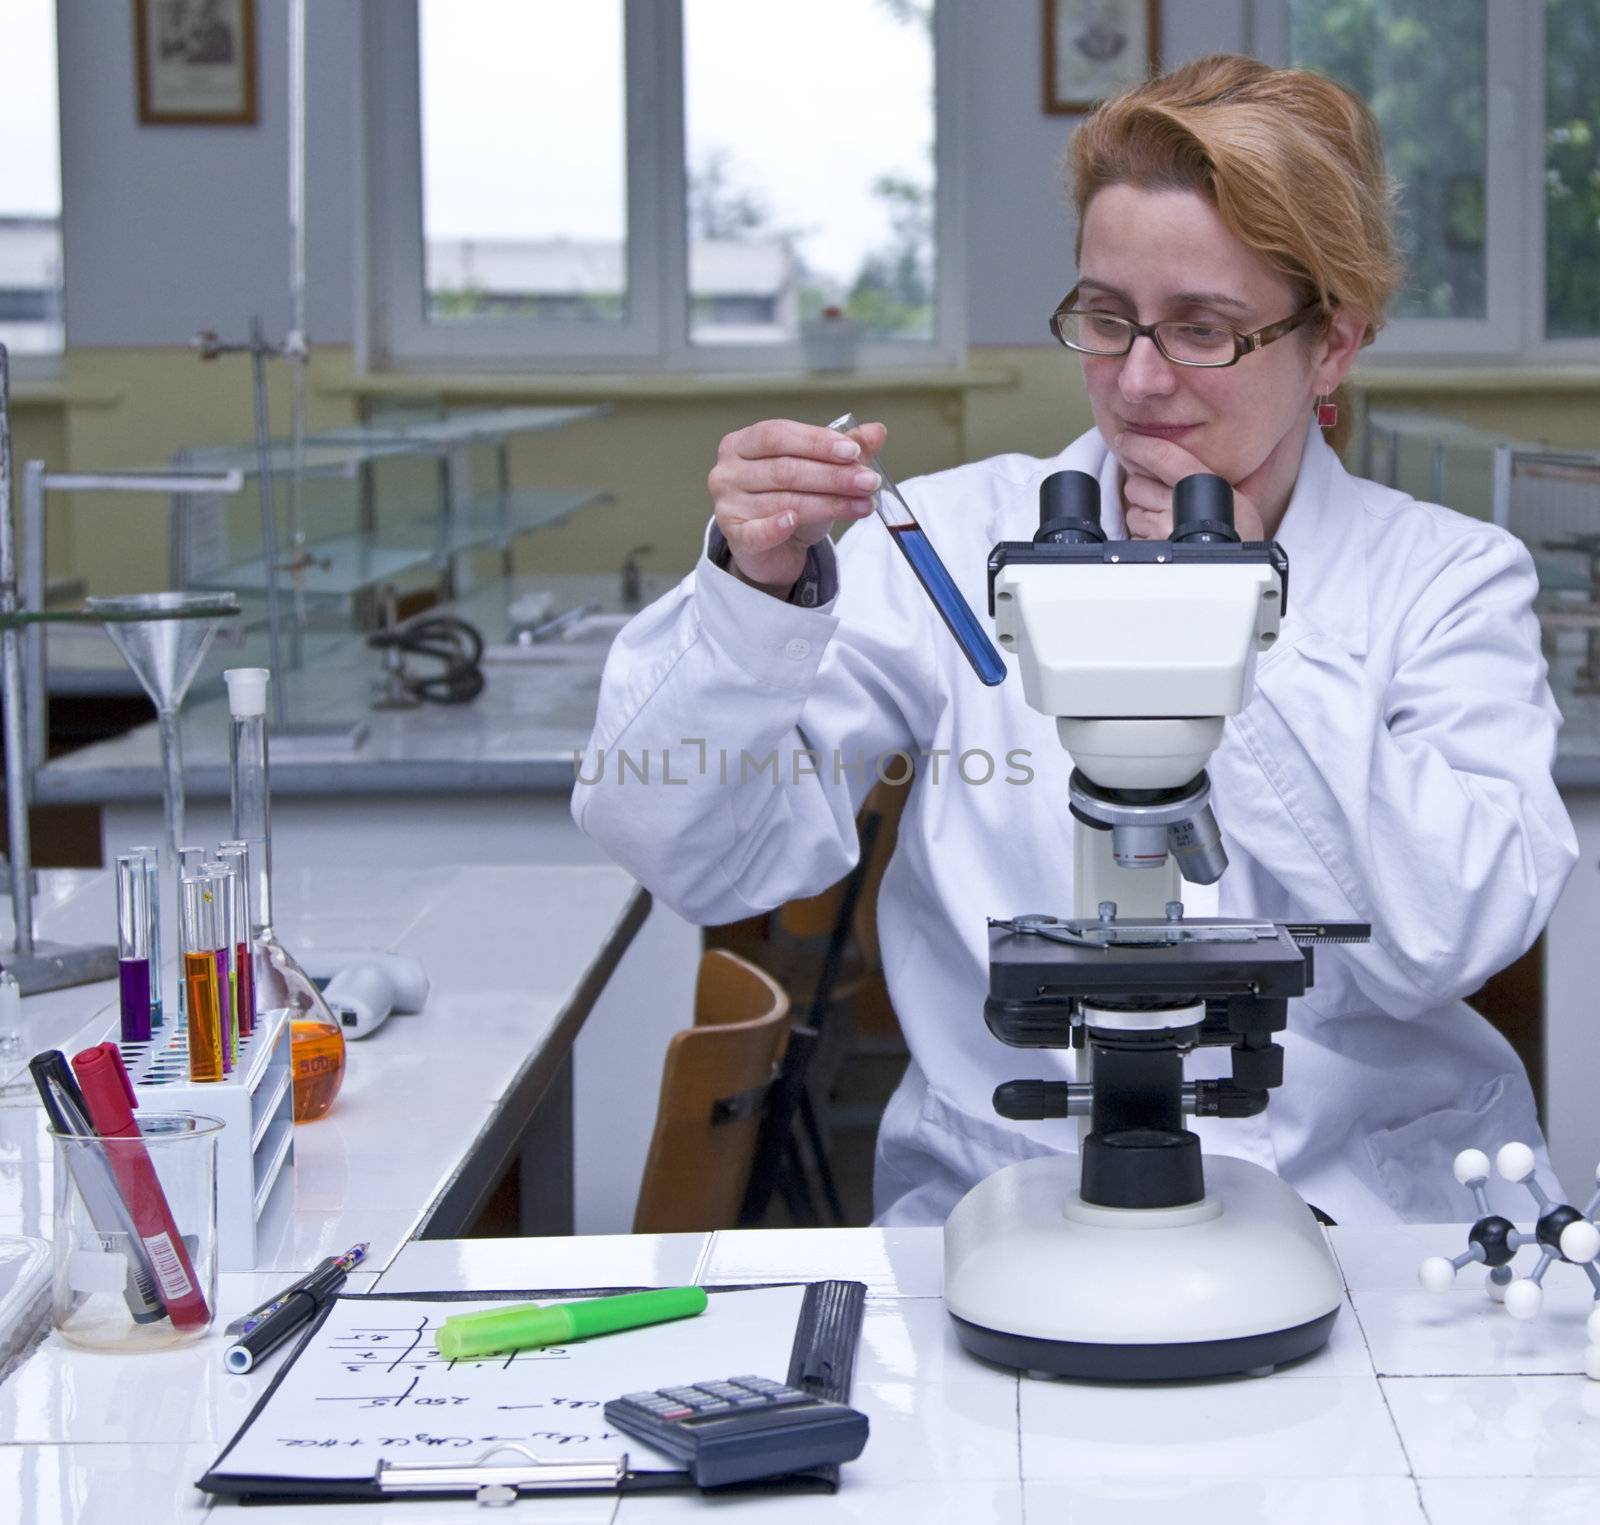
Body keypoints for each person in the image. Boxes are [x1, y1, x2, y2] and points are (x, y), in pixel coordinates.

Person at [573, 54, 1578, 1226]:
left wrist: (1241, 622)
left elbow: (1448, 935)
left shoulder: (1446, 580)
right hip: (1013, 1203)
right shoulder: (952, 541)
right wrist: (754, 591)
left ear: (1334, 343)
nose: (1138, 380)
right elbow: (690, 849)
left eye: (1201, 329)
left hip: (1369, 1226)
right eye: (1106, 319)